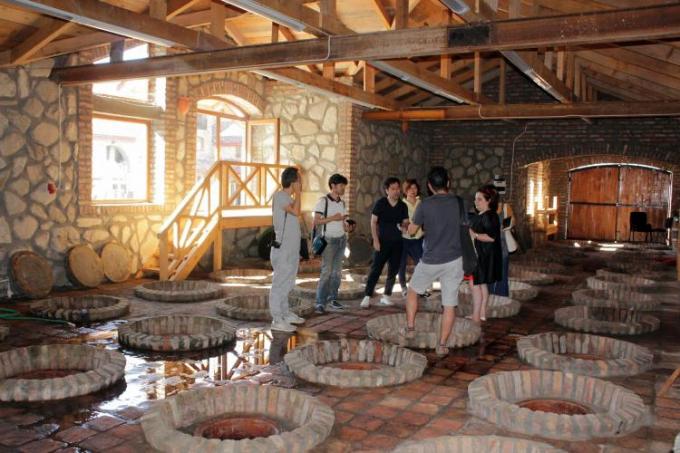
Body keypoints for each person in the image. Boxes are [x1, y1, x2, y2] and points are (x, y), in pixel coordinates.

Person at [401, 167, 465, 356]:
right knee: (449, 304)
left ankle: (410, 329)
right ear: (448, 183)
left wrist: (406, 226)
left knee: (412, 291)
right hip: (454, 259)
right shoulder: (459, 202)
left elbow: (412, 230)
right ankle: (442, 345)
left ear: (429, 186)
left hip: (430, 259)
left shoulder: (424, 205)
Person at [360, 177, 409, 309]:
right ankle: (367, 296)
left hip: (398, 243)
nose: (396, 191)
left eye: (398, 188)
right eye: (393, 189)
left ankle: (386, 296)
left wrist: (404, 226)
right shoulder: (381, 203)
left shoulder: (403, 206)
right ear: (387, 190)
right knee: (376, 269)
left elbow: (405, 222)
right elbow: (373, 222)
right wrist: (375, 240)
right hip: (382, 242)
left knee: (393, 271)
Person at [268, 167, 306, 332]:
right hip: (282, 250)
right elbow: (296, 212)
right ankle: (277, 319)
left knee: (288, 283)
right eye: (299, 180)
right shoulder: (280, 196)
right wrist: (298, 194)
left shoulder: (288, 198)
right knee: (279, 284)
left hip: (291, 250)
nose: (302, 183)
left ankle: (285, 314)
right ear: (293, 181)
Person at [313, 173, 356, 314]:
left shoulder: (342, 203)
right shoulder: (323, 201)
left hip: (341, 240)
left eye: (344, 186)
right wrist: (333, 218)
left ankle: (333, 299)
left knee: (337, 273)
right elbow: (316, 221)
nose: (343, 188)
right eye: (341, 185)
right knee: (326, 272)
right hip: (329, 241)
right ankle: (320, 302)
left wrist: (347, 228)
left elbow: (342, 223)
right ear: (333, 186)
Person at [468, 185, 503, 322]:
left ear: (489, 201)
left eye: (479, 199)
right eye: (475, 199)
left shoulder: (489, 216)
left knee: (475, 285)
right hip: (483, 255)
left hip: (483, 256)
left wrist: (474, 235)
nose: (476, 202)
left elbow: (491, 237)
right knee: (482, 285)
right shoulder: (486, 215)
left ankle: (476, 316)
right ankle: (481, 314)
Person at [398, 179, 425, 297]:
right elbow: (398, 222)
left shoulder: (421, 203)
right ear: (405, 190)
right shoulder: (401, 204)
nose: (413, 190)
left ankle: (418, 287)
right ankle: (403, 287)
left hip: (418, 239)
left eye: (415, 188)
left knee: (421, 263)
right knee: (402, 264)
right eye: (410, 188)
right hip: (403, 239)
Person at [490, 200, 514, 297]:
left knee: (502, 278)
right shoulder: (485, 206)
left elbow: (512, 221)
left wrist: (508, 224)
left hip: (502, 248)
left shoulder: (505, 207)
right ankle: (489, 300)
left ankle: (502, 300)